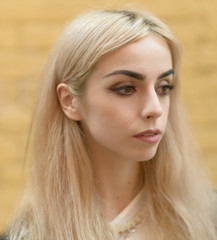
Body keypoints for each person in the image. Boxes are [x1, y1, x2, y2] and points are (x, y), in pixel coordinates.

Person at [2, 8, 217, 240]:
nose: (155, 108)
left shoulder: (207, 218)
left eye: (164, 87)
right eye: (126, 88)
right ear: (70, 101)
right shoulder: (27, 236)